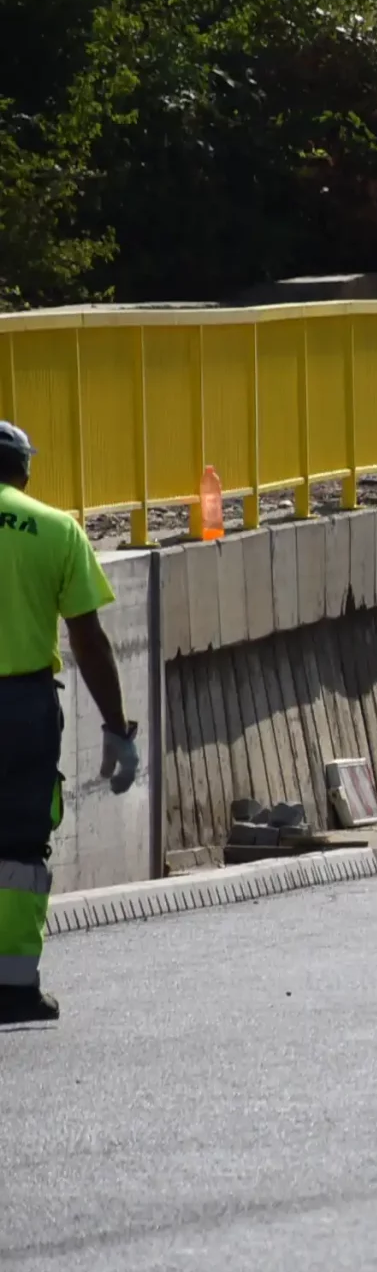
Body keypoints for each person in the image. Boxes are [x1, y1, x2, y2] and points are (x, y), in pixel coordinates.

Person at [0, 421, 137, 1024]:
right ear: (24, 471)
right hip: (22, 712)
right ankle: (14, 988)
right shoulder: (56, 529)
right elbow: (88, 637)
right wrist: (116, 726)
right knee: (21, 847)